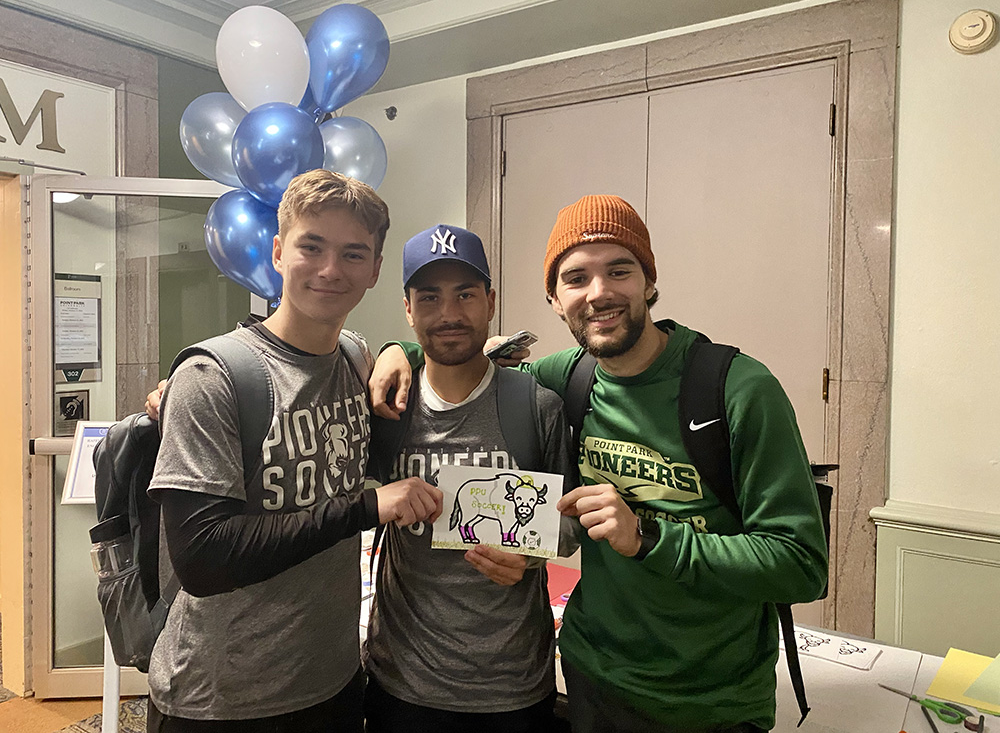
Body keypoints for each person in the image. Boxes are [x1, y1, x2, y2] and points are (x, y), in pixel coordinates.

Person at [370, 195, 829, 733]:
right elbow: (462, 357)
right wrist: (399, 350)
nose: (599, 293)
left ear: (649, 281)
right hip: (593, 681)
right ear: (554, 298)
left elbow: (802, 565)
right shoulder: (563, 379)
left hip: (713, 702)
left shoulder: (739, 390)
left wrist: (650, 539)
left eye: (619, 270)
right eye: (576, 277)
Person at [145, 169, 443, 733]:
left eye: (354, 254)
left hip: (330, 681)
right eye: (312, 246)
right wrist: (367, 507)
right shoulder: (214, 376)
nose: (331, 270)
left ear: (376, 271)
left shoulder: (357, 359)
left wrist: (398, 350)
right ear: (279, 251)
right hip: (222, 698)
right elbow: (203, 559)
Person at [363, 224, 577, 733]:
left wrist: (530, 555)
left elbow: (569, 522)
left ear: (490, 301)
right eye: (429, 297)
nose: (449, 314)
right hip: (402, 681)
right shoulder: (386, 409)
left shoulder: (536, 407)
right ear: (408, 308)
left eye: (465, 294)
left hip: (513, 686)